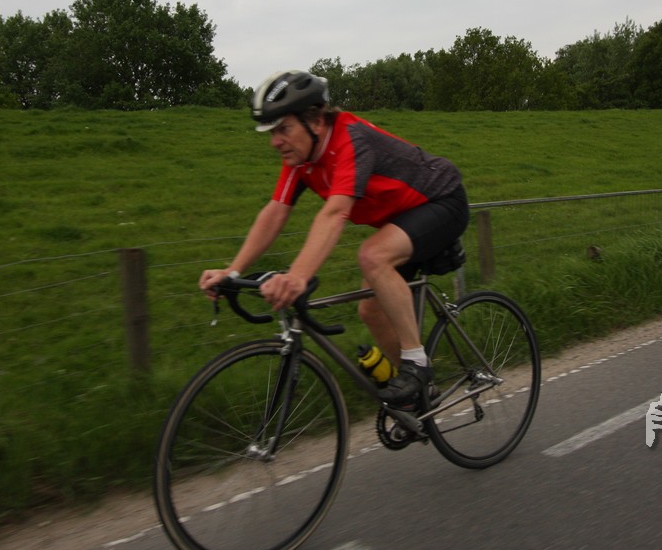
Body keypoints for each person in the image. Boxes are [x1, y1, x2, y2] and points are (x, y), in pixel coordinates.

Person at [199, 70, 469, 406]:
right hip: (402, 218)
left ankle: (418, 364)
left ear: (315, 120)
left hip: (442, 200)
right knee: (370, 311)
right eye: (271, 132)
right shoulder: (301, 159)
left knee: (372, 256)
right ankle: (420, 395)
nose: (275, 141)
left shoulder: (349, 140)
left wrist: (297, 277)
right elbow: (275, 212)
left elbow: (335, 212)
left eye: (283, 129)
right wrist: (232, 270)